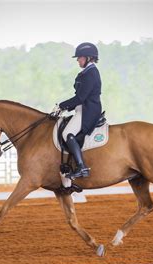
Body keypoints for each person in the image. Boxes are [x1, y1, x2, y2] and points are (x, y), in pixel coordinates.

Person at [58, 42, 102, 179]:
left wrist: (61, 106)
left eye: (80, 57)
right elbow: (80, 97)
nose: (78, 60)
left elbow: (81, 97)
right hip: (83, 108)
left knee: (67, 133)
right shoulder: (87, 72)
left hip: (88, 111)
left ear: (88, 57)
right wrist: (65, 108)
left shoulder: (90, 73)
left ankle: (81, 167)